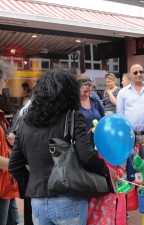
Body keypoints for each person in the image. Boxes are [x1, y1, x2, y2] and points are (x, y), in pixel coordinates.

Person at [8, 69, 110, 225]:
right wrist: (105, 171)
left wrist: (32, 185)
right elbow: (86, 156)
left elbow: (14, 165)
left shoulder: (25, 122)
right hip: (69, 197)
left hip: (37, 201)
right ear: (69, 92)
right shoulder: (73, 117)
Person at [117, 63, 144, 159]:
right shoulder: (122, 93)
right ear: (130, 75)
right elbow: (120, 116)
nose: (139, 74)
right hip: (129, 136)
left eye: (141, 72)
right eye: (135, 72)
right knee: (131, 167)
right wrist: (123, 135)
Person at [0, 61, 19, 225]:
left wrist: (11, 140)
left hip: (6, 184)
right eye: (3, 79)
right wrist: (17, 164)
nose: (4, 84)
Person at [77, 74, 105, 147]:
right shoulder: (74, 104)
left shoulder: (94, 100)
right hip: (83, 146)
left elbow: (103, 117)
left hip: (98, 144)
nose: (87, 94)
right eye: (85, 91)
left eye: (89, 91)